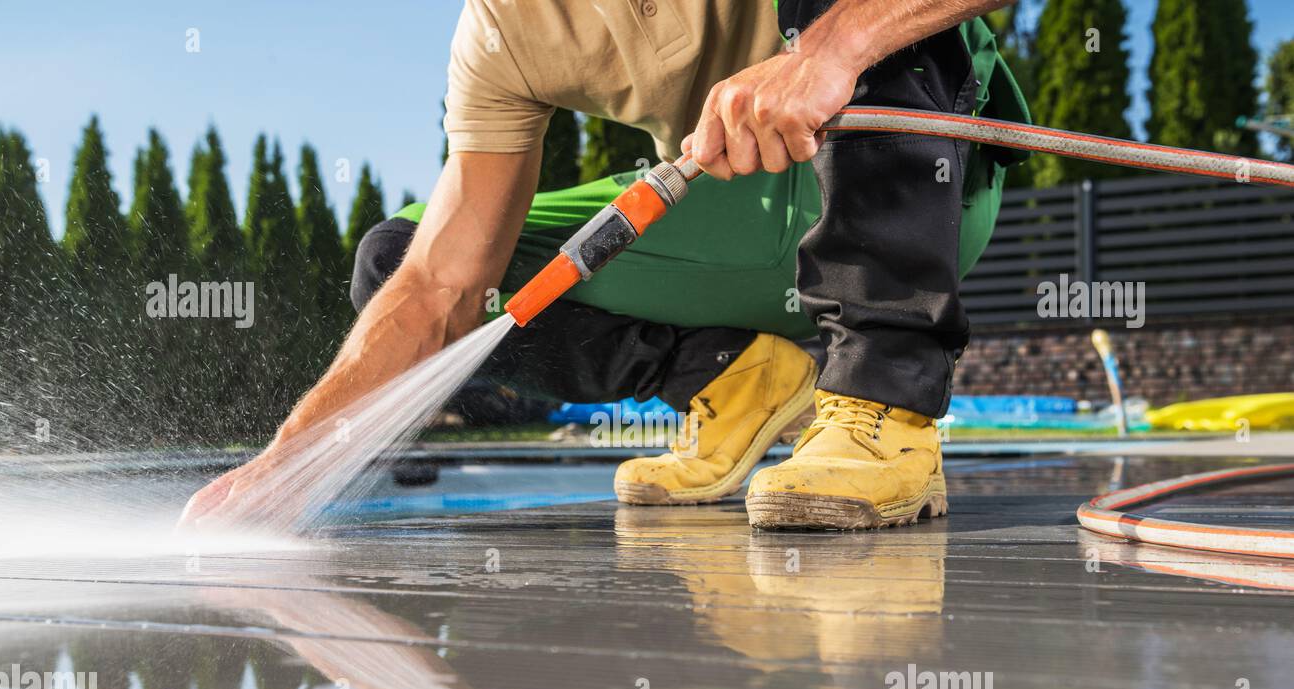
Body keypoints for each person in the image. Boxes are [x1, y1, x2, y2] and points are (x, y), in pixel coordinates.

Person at [181, 0, 1028, 531]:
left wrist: (833, 46)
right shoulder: (499, 30)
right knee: (398, 257)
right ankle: (731, 377)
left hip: (926, 187)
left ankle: (883, 407)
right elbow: (441, 287)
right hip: (729, 216)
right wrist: (288, 466)